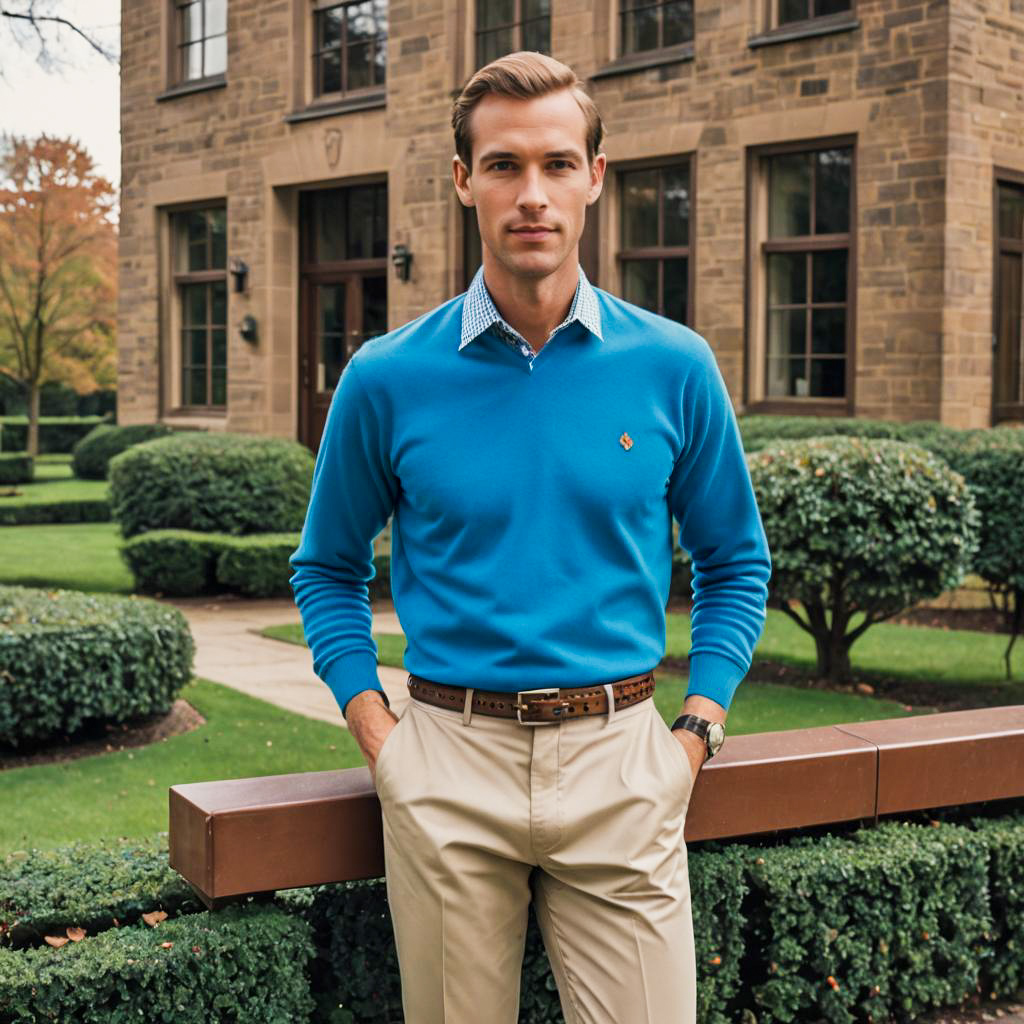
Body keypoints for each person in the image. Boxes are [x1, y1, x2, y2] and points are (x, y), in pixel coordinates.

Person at [289, 50, 771, 1024]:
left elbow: (734, 559)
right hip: (447, 764)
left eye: (557, 164)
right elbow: (328, 567)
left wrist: (695, 732)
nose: (532, 195)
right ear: (463, 180)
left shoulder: (674, 365)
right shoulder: (386, 377)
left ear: (596, 176)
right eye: (504, 165)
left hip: (623, 761)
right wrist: (380, 737)